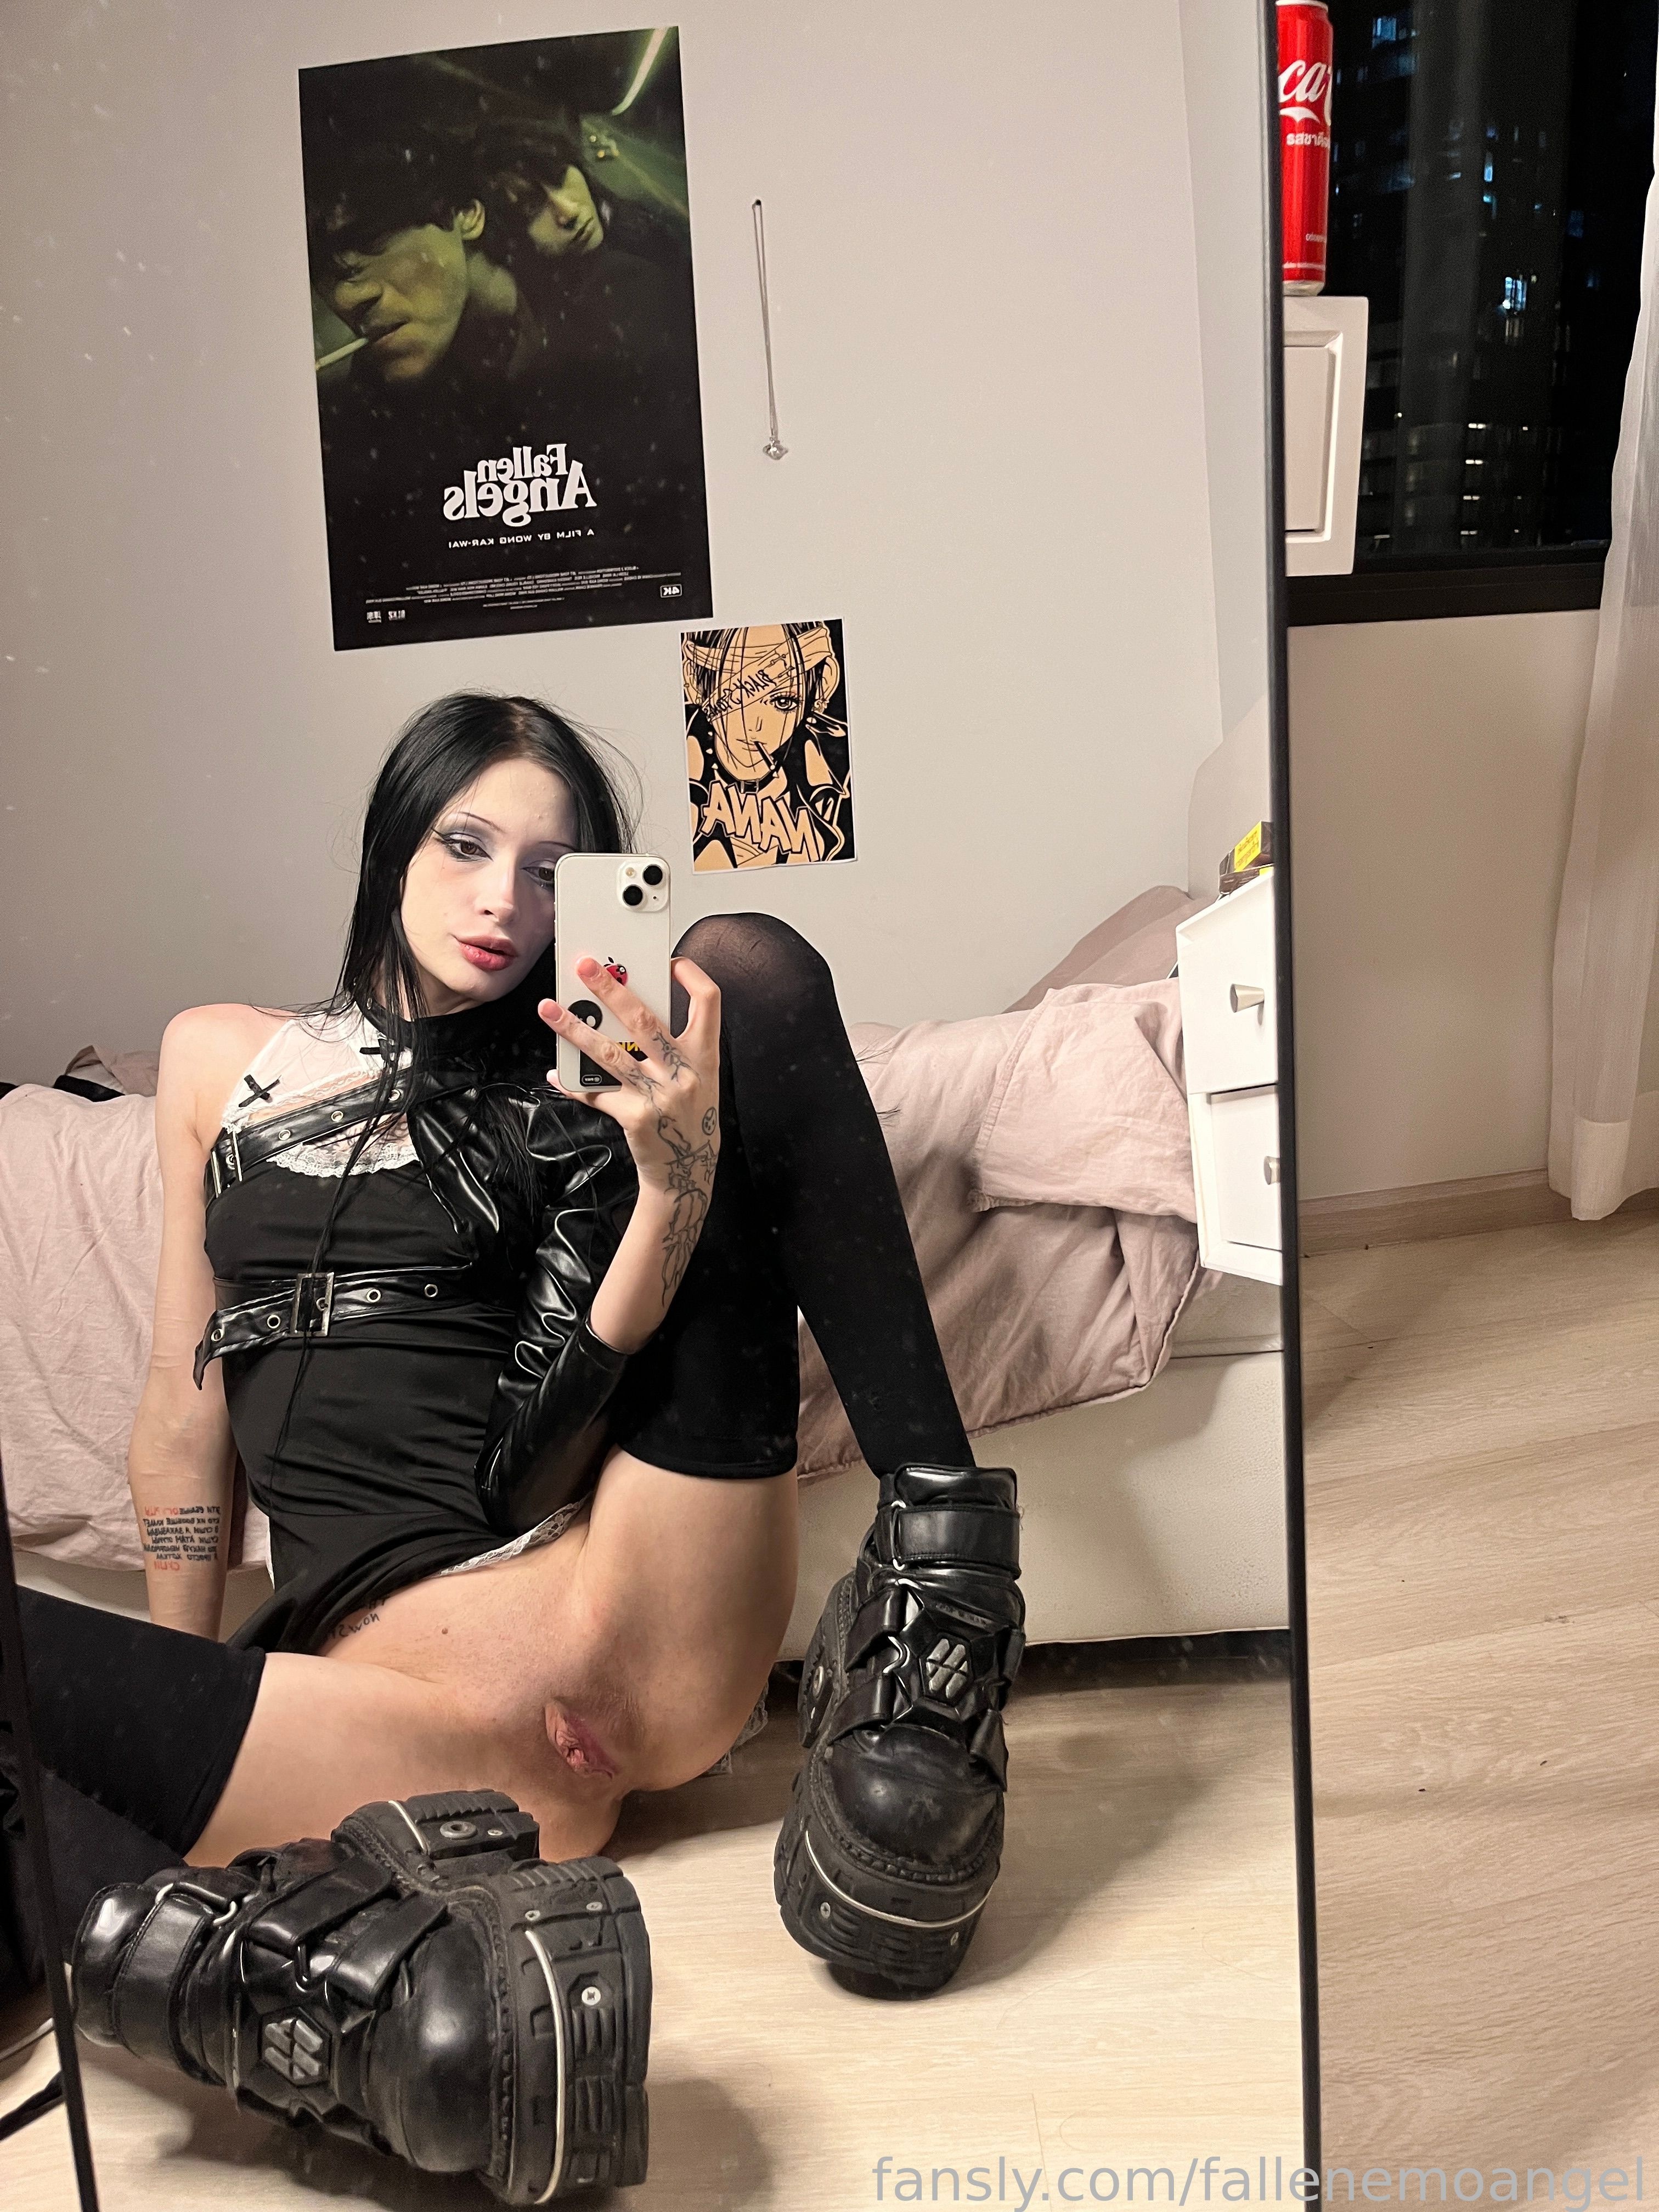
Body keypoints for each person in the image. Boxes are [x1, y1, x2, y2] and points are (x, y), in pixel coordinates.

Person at [0, 693, 1025, 2191]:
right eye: (466, 845)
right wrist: (192, 1694)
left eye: (554, 873)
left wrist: (670, 1179)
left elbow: (546, 1435)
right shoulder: (220, 1059)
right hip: (416, 1728)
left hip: (631, 1597)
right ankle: (341, 2010)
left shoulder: (575, 1090)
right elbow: (180, 1408)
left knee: (741, 967)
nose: (504, 902)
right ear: (391, 845)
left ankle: (946, 1603)